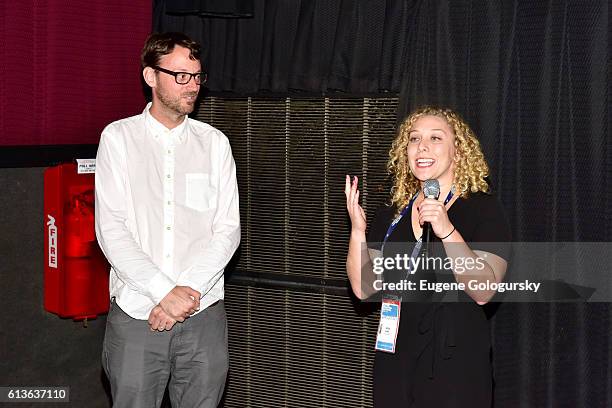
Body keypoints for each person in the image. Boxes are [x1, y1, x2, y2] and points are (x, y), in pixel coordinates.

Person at [95, 32, 240, 408]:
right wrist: (163, 292)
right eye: (181, 76)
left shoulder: (215, 144)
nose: (192, 85)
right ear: (150, 77)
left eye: (197, 76)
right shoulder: (118, 138)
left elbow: (227, 231)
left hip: (204, 314)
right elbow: (111, 230)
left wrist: (184, 294)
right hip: (138, 315)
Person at [345, 106, 511, 407]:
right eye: (414, 138)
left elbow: (485, 291)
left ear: (458, 152)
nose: (422, 146)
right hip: (395, 357)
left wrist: (447, 230)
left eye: (436, 138)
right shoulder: (393, 214)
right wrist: (357, 231)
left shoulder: (482, 209)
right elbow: (363, 288)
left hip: (454, 363)